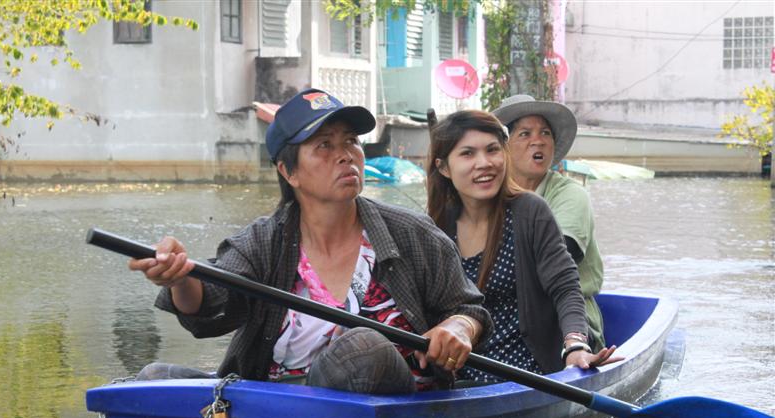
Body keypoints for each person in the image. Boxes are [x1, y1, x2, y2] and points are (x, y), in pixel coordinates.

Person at [129, 88, 492, 394]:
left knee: (364, 347)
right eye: (324, 145)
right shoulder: (263, 241)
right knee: (151, 382)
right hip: (280, 414)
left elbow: (469, 309)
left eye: (351, 141)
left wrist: (456, 327)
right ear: (289, 171)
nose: (346, 155)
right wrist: (180, 279)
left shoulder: (412, 233)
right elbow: (211, 310)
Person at [426, 110, 619, 382]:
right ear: (444, 167)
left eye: (493, 150)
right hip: (459, 370)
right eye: (468, 154)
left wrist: (575, 345)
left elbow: (565, 286)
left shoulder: (530, 211)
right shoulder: (437, 224)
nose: (484, 163)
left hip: (526, 367)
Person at [493, 94, 607, 351]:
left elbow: (559, 257)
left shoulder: (570, 194)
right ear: (504, 147)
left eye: (545, 133)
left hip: (565, 317)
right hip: (504, 316)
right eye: (525, 134)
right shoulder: (488, 196)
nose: (539, 140)